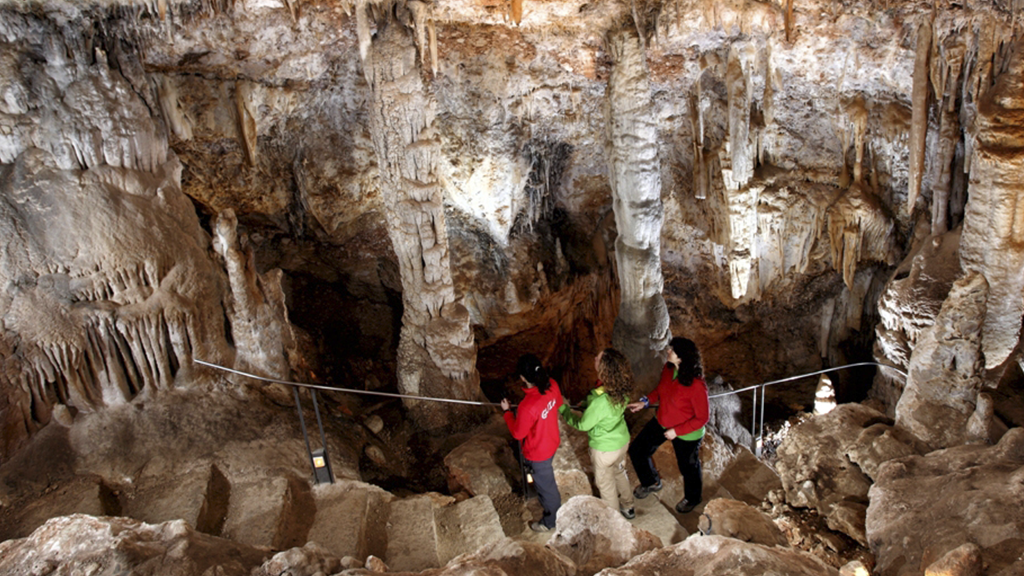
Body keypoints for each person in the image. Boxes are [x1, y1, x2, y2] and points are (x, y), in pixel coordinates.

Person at [627, 337, 709, 514]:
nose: (668, 351)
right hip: (663, 420)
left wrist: (677, 431)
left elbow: (702, 418)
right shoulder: (668, 369)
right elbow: (660, 390)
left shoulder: (696, 385)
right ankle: (651, 482)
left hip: (687, 432)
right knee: (638, 450)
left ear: (682, 357)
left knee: (688, 467)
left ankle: (693, 497)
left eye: (672, 350)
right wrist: (645, 401)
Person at [559, 348, 636, 519]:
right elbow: (601, 400)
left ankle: (614, 521)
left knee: (606, 485)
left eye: (598, 359)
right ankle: (629, 506)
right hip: (621, 441)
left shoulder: (600, 402)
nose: (594, 358)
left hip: (605, 448)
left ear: (604, 369)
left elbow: (583, 424)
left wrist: (565, 411)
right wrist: (586, 403)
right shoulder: (622, 388)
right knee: (619, 472)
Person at [501, 354, 564, 532]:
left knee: (547, 488)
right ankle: (547, 503)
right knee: (544, 480)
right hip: (551, 441)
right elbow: (557, 403)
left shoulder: (527, 406)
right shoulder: (552, 385)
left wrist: (507, 413)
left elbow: (518, 433)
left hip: (538, 452)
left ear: (522, 377)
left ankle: (552, 521)